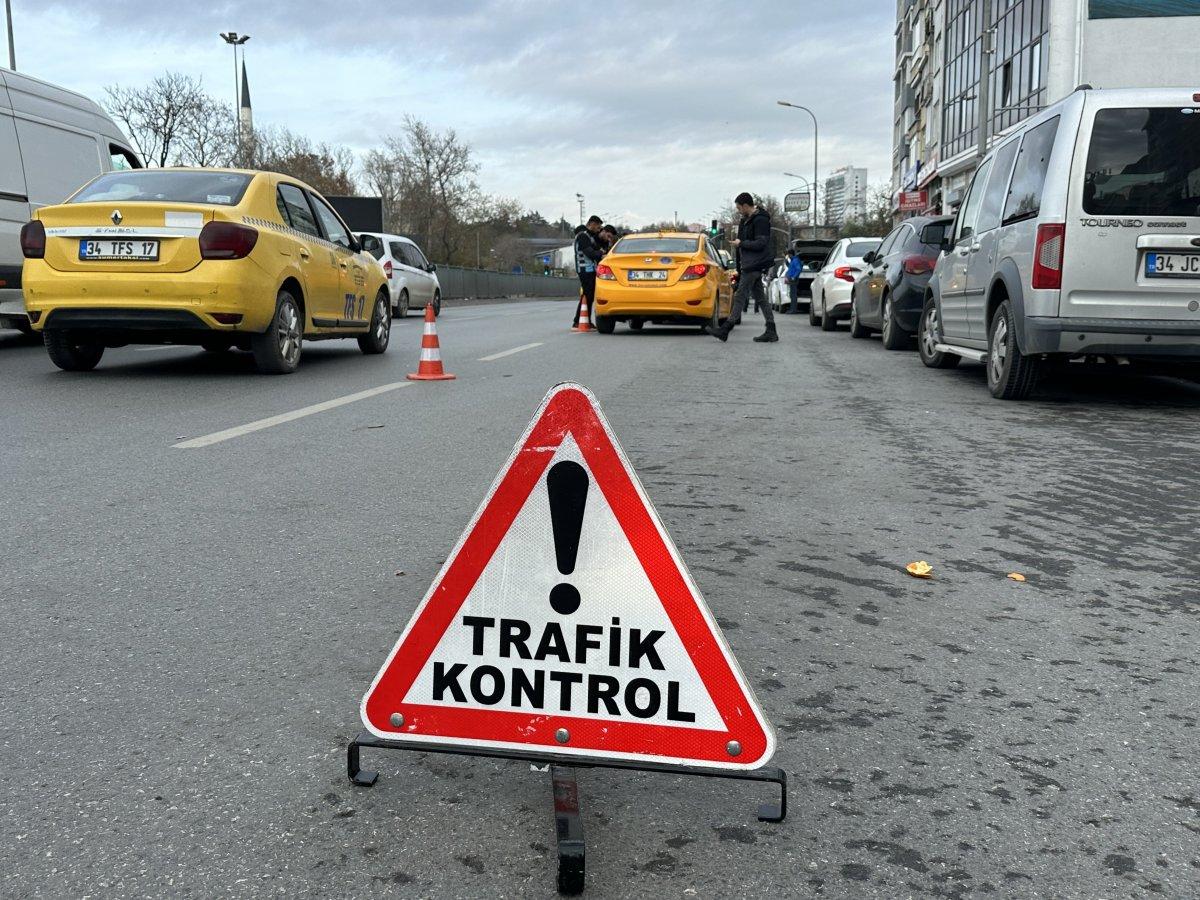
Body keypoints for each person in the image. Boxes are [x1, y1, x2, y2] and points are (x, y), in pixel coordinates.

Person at [712, 192, 777, 343]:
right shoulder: (745, 221)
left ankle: (725, 329)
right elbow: (741, 245)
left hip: (755, 263)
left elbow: (761, 243)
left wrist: (741, 243)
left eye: (739, 208)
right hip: (748, 264)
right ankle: (771, 329)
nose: (738, 211)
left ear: (746, 206)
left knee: (740, 296)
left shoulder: (761, 220)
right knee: (761, 298)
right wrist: (740, 266)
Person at [573, 216, 604, 327]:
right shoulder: (583, 236)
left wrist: (599, 252)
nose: (599, 229)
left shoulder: (589, 237)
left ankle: (582, 319)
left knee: (588, 295)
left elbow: (597, 250)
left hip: (590, 269)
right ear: (591, 224)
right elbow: (591, 253)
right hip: (584, 270)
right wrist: (600, 253)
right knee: (587, 295)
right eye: (598, 226)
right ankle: (579, 320)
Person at [784, 248, 802, 315]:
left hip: (793, 279)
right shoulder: (793, 260)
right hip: (791, 279)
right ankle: (792, 309)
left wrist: (794, 276)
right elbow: (791, 267)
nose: (788, 256)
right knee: (792, 295)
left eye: (788, 254)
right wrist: (786, 262)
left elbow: (798, 269)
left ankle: (793, 310)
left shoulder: (795, 260)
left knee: (793, 295)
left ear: (791, 254)